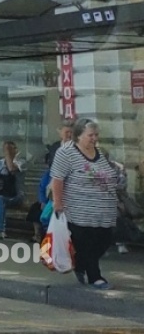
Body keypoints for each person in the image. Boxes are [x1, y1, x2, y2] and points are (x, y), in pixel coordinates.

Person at [51, 118, 124, 290]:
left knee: (105, 239)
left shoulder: (98, 152)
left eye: (96, 135)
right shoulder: (66, 152)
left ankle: (80, 264)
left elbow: (106, 174)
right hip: (78, 208)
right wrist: (58, 202)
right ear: (78, 135)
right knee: (87, 242)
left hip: (104, 209)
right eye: (90, 135)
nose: (94, 138)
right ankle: (95, 277)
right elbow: (57, 179)